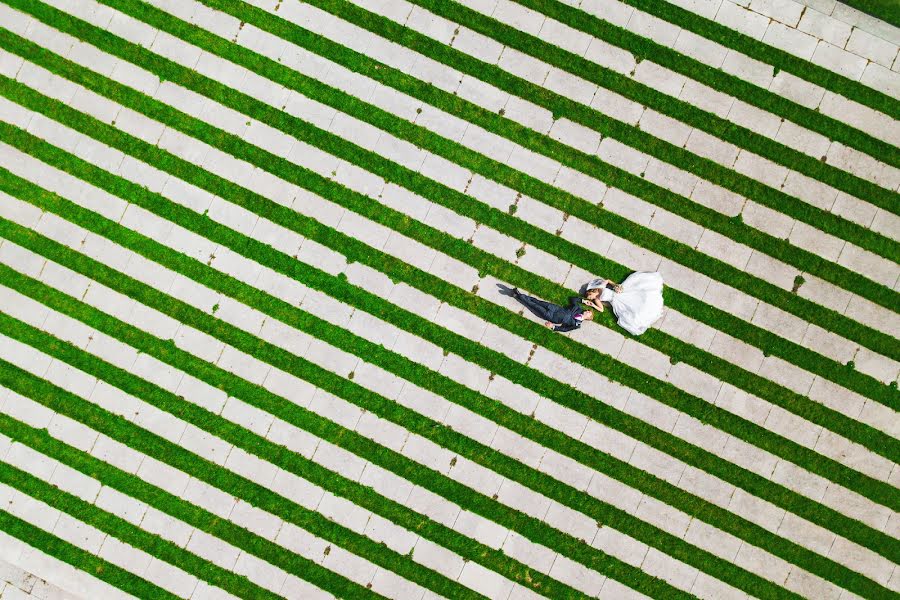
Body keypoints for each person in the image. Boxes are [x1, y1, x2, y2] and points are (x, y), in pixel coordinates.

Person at [583, 272, 664, 336]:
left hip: (618, 293)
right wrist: (592, 305)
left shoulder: (600, 287)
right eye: (590, 299)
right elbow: (601, 309)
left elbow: (607, 280)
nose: (591, 298)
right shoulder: (597, 300)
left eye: (590, 296)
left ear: (591, 292)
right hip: (615, 301)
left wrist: (615, 286)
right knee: (631, 308)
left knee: (636, 294)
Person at [512, 288, 593, 333]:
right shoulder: (578, 309)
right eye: (588, 310)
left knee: (534, 306)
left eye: (589, 313)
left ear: (588, 318)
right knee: (537, 301)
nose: (587, 311)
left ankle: (519, 295)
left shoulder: (577, 325)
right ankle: (519, 296)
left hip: (552, 317)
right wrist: (583, 301)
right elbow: (573, 299)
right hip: (554, 308)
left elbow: (564, 329)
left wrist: (553, 327)